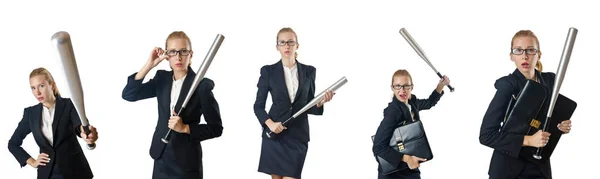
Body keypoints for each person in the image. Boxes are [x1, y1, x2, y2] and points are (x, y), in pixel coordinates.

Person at [122, 31, 223, 179]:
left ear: (191, 54)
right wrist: (149, 65)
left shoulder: (201, 86)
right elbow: (129, 95)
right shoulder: (161, 79)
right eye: (173, 52)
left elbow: (216, 128)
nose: (179, 57)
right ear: (166, 55)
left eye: (184, 51)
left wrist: (185, 128)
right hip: (160, 156)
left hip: (186, 164)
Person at [479, 30, 573, 179]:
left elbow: (541, 123)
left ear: (539, 54)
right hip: (509, 170)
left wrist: (559, 127)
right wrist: (528, 140)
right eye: (518, 50)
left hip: (540, 167)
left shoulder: (550, 81)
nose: (525, 55)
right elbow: (486, 135)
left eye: (531, 50)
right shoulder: (508, 85)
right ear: (511, 56)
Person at [253, 27, 335, 179]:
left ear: (297, 45)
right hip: (275, 134)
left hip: (298, 135)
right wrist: (269, 123)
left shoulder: (309, 71)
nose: (287, 46)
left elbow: (308, 105)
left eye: (291, 42)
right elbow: (258, 106)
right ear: (277, 46)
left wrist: (320, 103)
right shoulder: (268, 71)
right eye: (282, 42)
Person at [8, 67, 98, 179]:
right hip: (47, 174)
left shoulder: (69, 104)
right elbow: (13, 144)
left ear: (52, 85)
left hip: (75, 171)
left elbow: (79, 125)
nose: (37, 92)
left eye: (41, 86)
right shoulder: (30, 114)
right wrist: (32, 162)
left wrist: (85, 133)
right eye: (33, 88)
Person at [372, 69, 450, 179]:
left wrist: (441, 85)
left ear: (412, 87)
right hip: (393, 173)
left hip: (410, 168)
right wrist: (408, 159)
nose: (402, 90)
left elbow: (429, 102)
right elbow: (378, 147)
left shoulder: (413, 103)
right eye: (397, 86)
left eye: (406, 86)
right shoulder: (393, 112)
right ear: (392, 88)